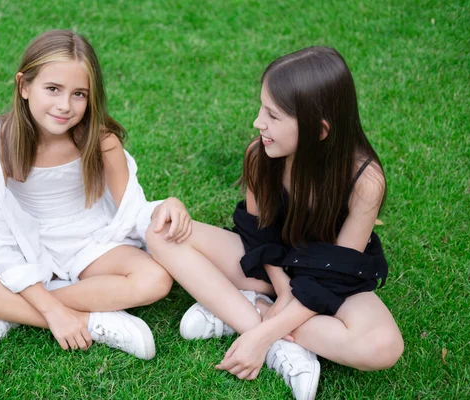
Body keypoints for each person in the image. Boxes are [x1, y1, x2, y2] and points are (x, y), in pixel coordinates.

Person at [146, 47, 404, 399]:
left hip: (330, 281)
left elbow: (335, 272)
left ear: (320, 131)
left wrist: (266, 331)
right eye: (261, 108)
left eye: (273, 115)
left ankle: (244, 314)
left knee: (383, 347)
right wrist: (283, 292)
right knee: (160, 236)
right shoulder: (260, 155)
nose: (258, 122)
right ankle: (262, 324)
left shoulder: (365, 181)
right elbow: (259, 236)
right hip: (274, 267)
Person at [0, 30, 192, 360]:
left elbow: (131, 208)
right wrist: (54, 313)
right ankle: (93, 319)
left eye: (79, 94)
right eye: (53, 89)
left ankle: (7, 306)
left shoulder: (101, 140)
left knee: (154, 279)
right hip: (25, 242)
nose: (64, 106)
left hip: (89, 240)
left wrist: (163, 207)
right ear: (24, 86)